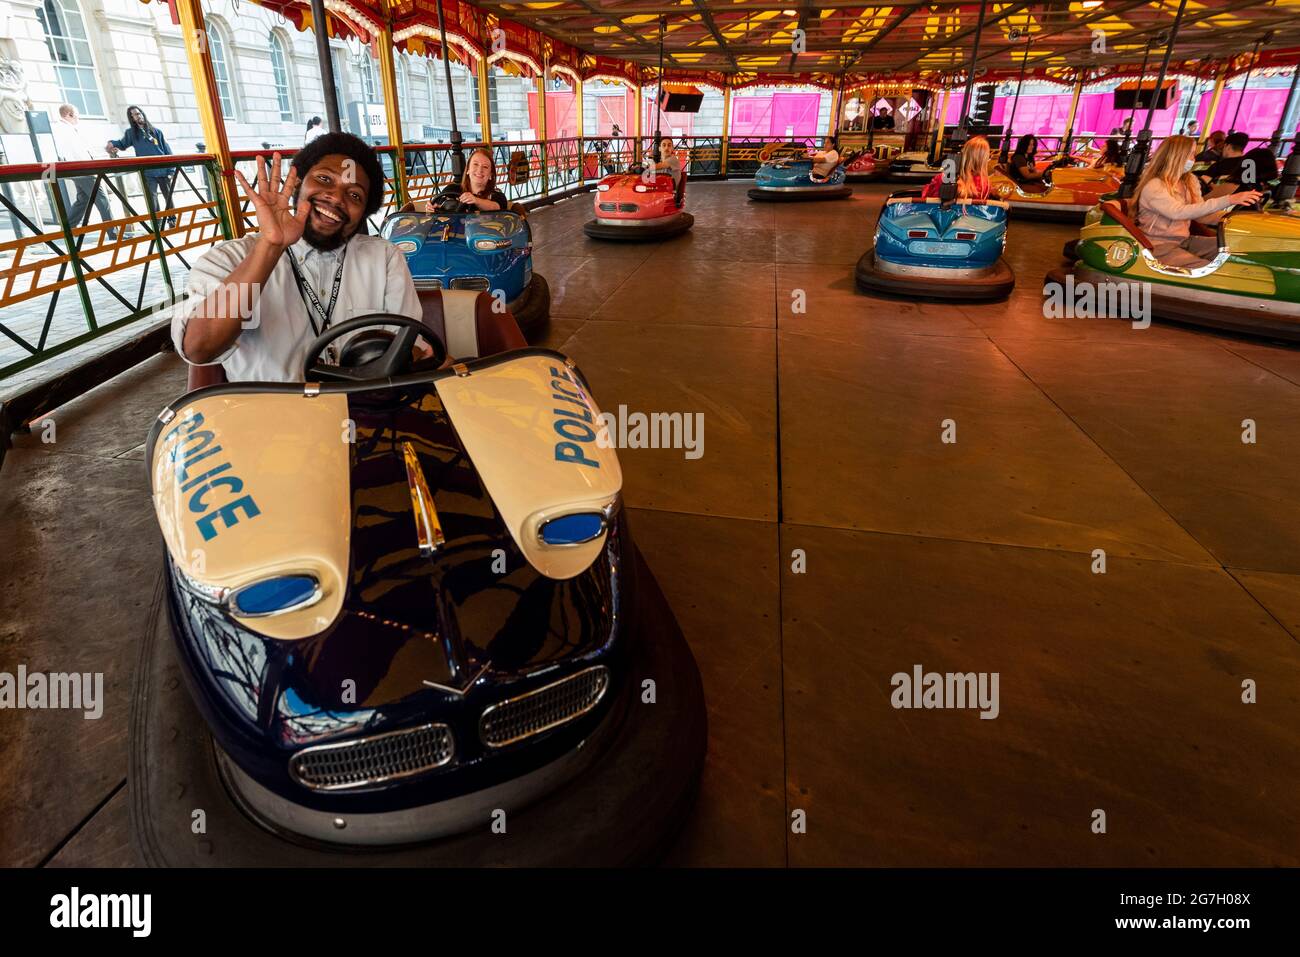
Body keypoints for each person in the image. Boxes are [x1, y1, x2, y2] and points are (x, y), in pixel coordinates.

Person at [173, 132, 422, 382]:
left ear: (364, 213)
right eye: (324, 179)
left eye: (354, 195)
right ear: (298, 183)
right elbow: (199, 348)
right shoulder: (229, 258)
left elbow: (406, 344)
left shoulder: (384, 257)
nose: (336, 197)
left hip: (361, 408)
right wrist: (271, 246)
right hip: (267, 414)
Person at [1133, 135, 1261, 267]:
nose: (1193, 160)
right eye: (1190, 154)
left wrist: (1240, 220)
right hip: (1158, 246)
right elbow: (1178, 212)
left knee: (1237, 248)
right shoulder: (1155, 185)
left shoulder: (1189, 181)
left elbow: (1201, 215)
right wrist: (1229, 200)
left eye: (1194, 155)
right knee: (1210, 268)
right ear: (1176, 156)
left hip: (1184, 241)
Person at [52, 104, 118, 240]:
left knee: (83, 200)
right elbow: (78, 151)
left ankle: (67, 230)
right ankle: (114, 233)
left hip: (79, 169)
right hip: (83, 169)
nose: (78, 117)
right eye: (76, 114)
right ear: (69, 114)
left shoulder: (67, 128)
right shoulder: (65, 129)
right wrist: (91, 167)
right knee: (102, 199)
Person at [106, 106, 175, 229]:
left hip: (163, 169)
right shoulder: (131, 133)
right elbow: (122, 144)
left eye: (140, 113)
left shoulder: (156, 131)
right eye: (135, 114)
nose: (139, 116)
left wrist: (171, 170)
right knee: (152, 198)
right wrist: (112, 143)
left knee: (168, 196)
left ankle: (172, 219)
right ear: (132, 118)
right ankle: (157, 222)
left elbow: (167, 150)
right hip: (148, 172)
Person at [425, 147, 508, 212]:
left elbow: (496, 207)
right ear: (468, 170)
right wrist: (431, 208)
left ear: (490, 175)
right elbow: (437, 205)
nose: (479, 170)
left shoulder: (497, 196)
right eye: (475, 164)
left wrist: (475, 200)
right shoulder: (451, 190)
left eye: (485, 167)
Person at [920, 135, 991, 201]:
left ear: (963, 154)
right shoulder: (985, 185)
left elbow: (927, 201)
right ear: (984, 160)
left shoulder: (943, 178)